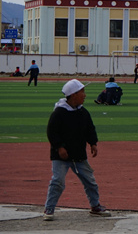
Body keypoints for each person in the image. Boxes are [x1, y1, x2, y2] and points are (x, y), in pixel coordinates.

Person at [43, 79, 111, 221]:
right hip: (61, 156)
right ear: (74, 95)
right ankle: (49, 208)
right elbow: (52, 132)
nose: (85, 95)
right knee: (57, 181)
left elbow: (90, 128)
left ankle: (95, 206)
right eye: (82, 92)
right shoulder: (59, 113)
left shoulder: (82, 112)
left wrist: (93, 143)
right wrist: (59, 147)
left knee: (90, 181)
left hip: (79, 155)